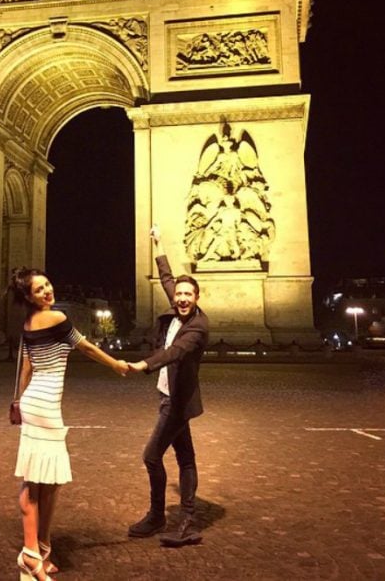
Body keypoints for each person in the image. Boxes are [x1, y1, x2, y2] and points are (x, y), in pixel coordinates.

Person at [10, 267, 129, 580]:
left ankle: (40, 550)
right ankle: (30, 555)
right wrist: (115, 364)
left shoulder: (28, 323)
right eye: (39, 289)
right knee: (37, 482)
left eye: (48, 284)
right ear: (28, 296)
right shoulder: (57, 319)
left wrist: (20, 402)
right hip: (46, 407)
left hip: (36, 404)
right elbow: (86, 347)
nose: (48, 291)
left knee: (45, 480)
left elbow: (26, 366)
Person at [127, 225, 209, 547]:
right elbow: (166, 278)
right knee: (186, 457)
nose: (182, 298)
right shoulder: (176, 305)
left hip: (176, 402)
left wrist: (144, 364)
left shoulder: (198, 327)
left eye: (188, 295)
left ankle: (157, 515)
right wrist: (159, 244)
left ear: (197, 298)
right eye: (179, 294)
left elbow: (175, 352)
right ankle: (187, 517)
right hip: (171, 396)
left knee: (151, 457)